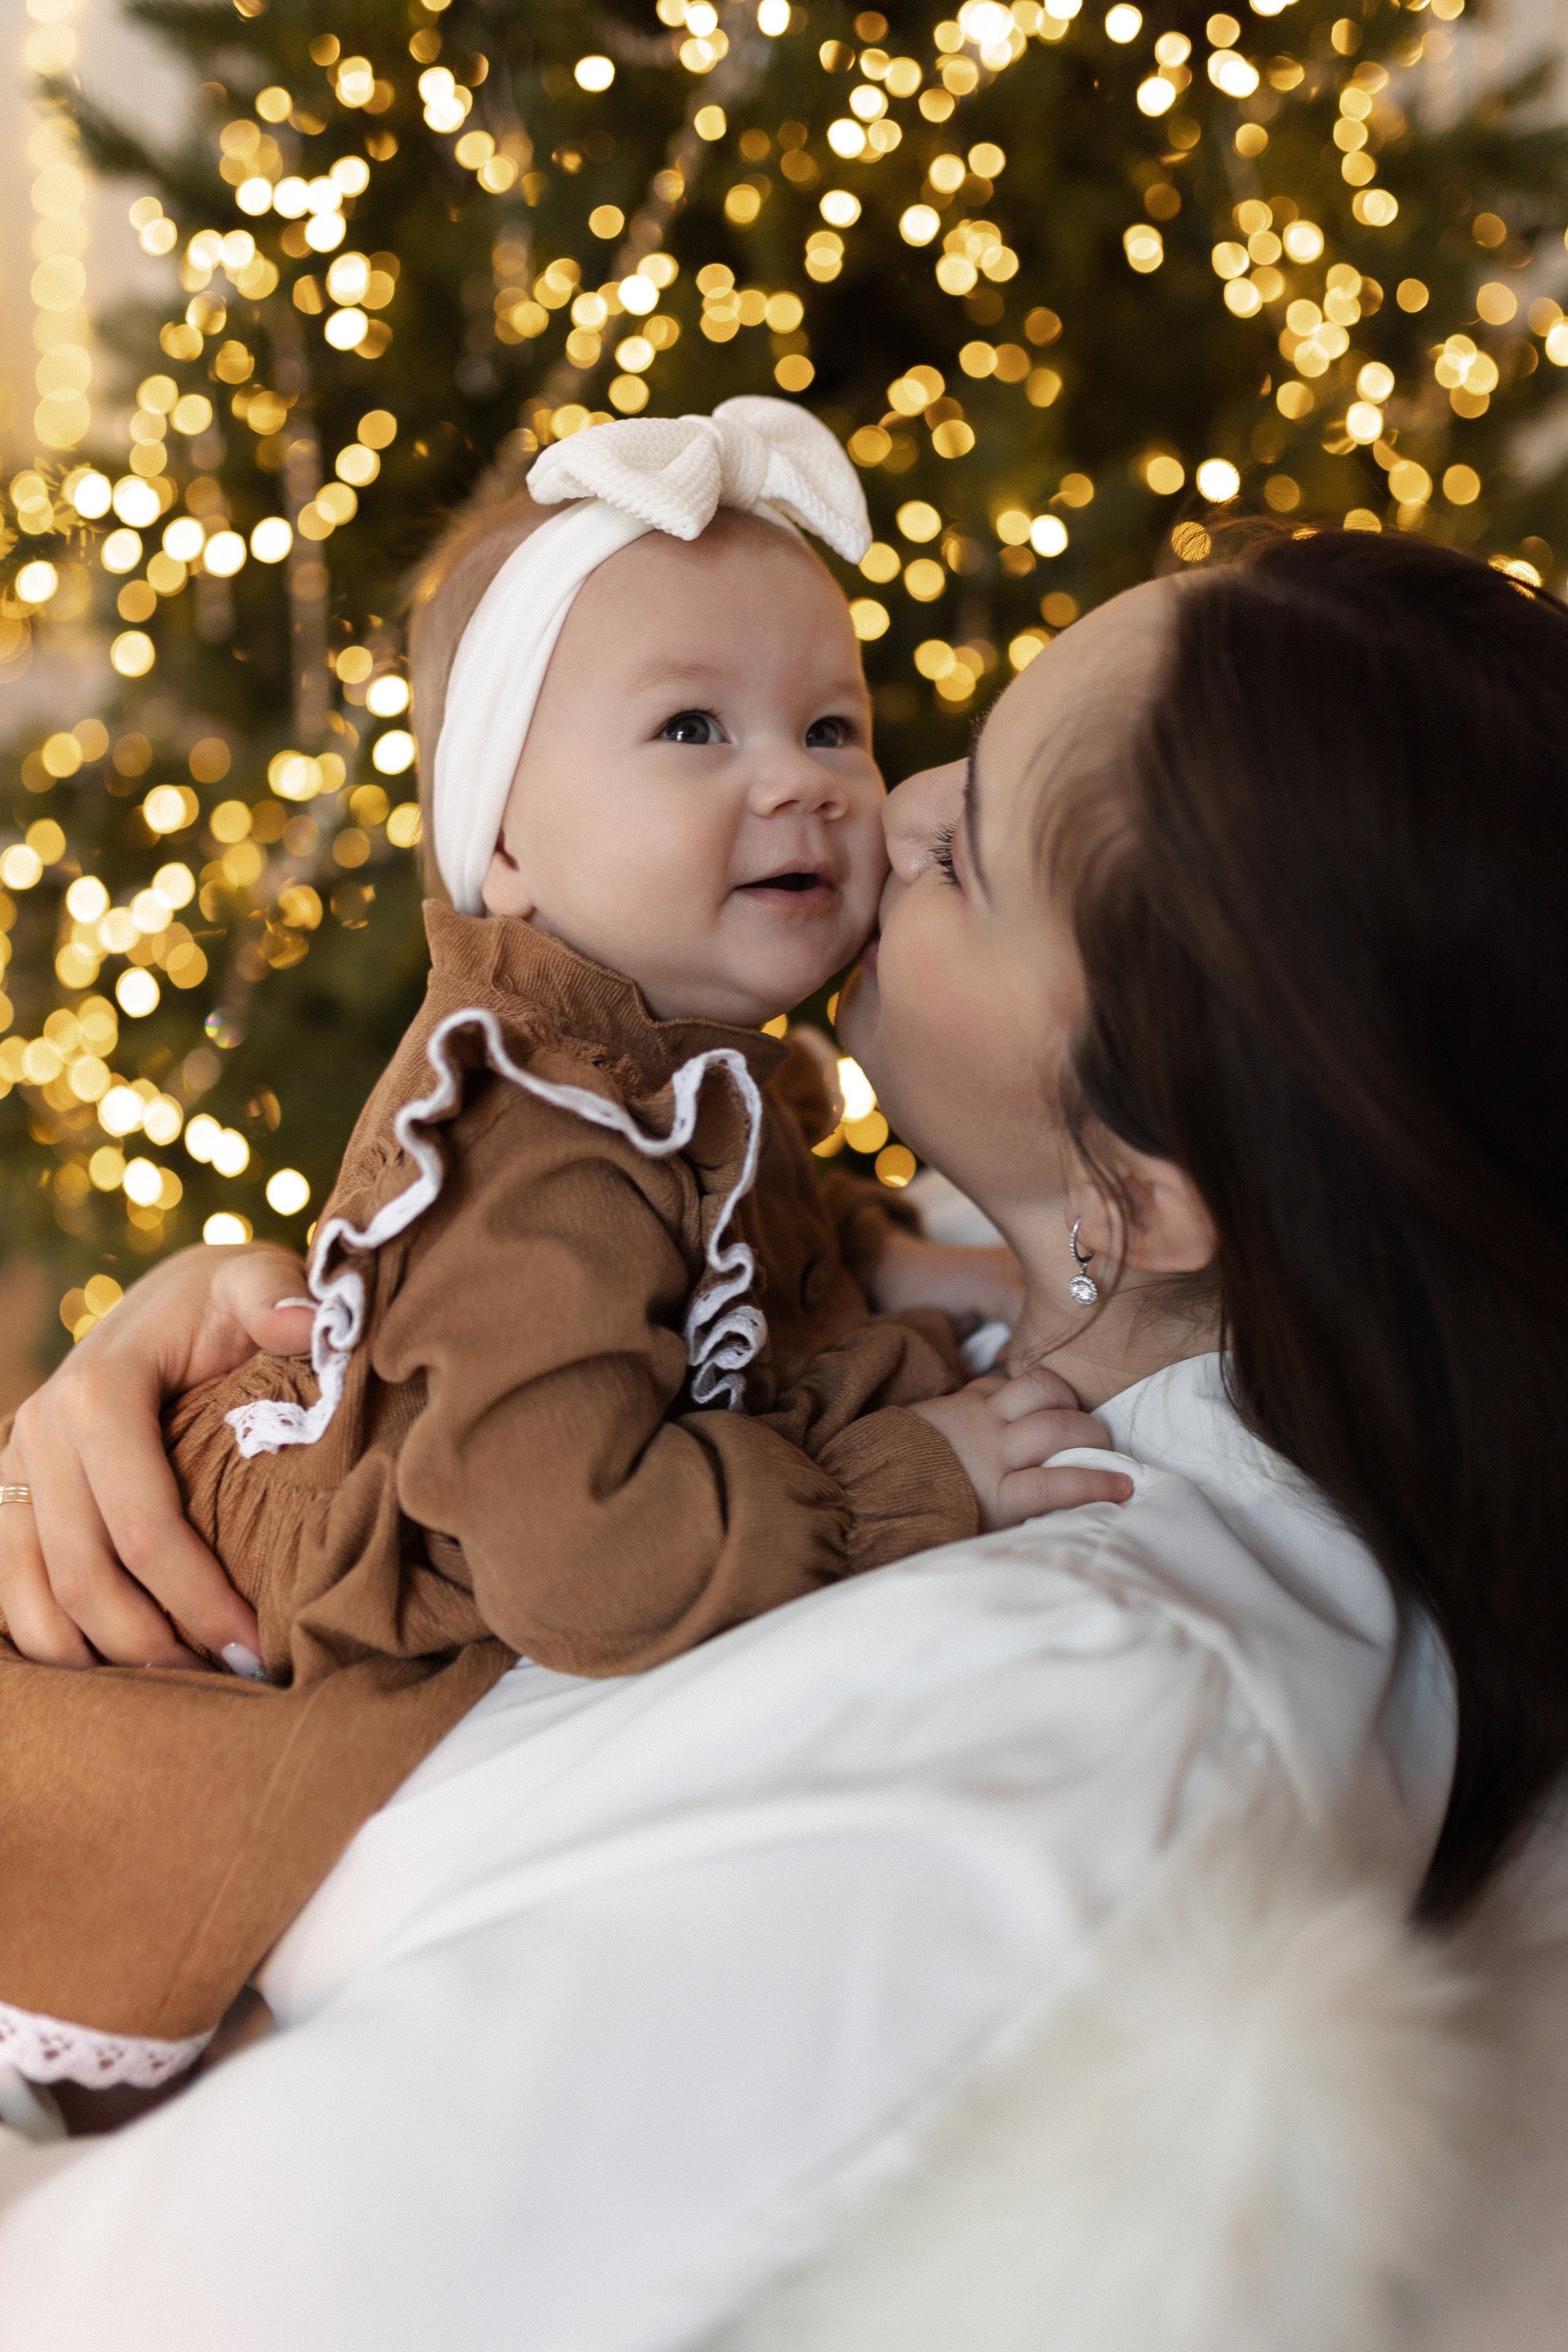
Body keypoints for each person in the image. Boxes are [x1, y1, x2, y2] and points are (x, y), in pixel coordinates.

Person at [0, 527, 1559, 2347]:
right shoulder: (987, 1352)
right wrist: (257, 1342)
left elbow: (157, 2303)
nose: (877, 806)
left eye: (969, 853)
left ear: (1142, 1184)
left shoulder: (1071, 1712)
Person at [0, 399, 1122, 2098]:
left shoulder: (686, 1073)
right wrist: (914, 1480)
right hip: (249, 1602)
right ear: (502, 846)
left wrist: (938, 1275)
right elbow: (586, 1561)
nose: (804, 783)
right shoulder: (536, 1153)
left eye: (833, 723)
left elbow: (768, 1268)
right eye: (692, 726)